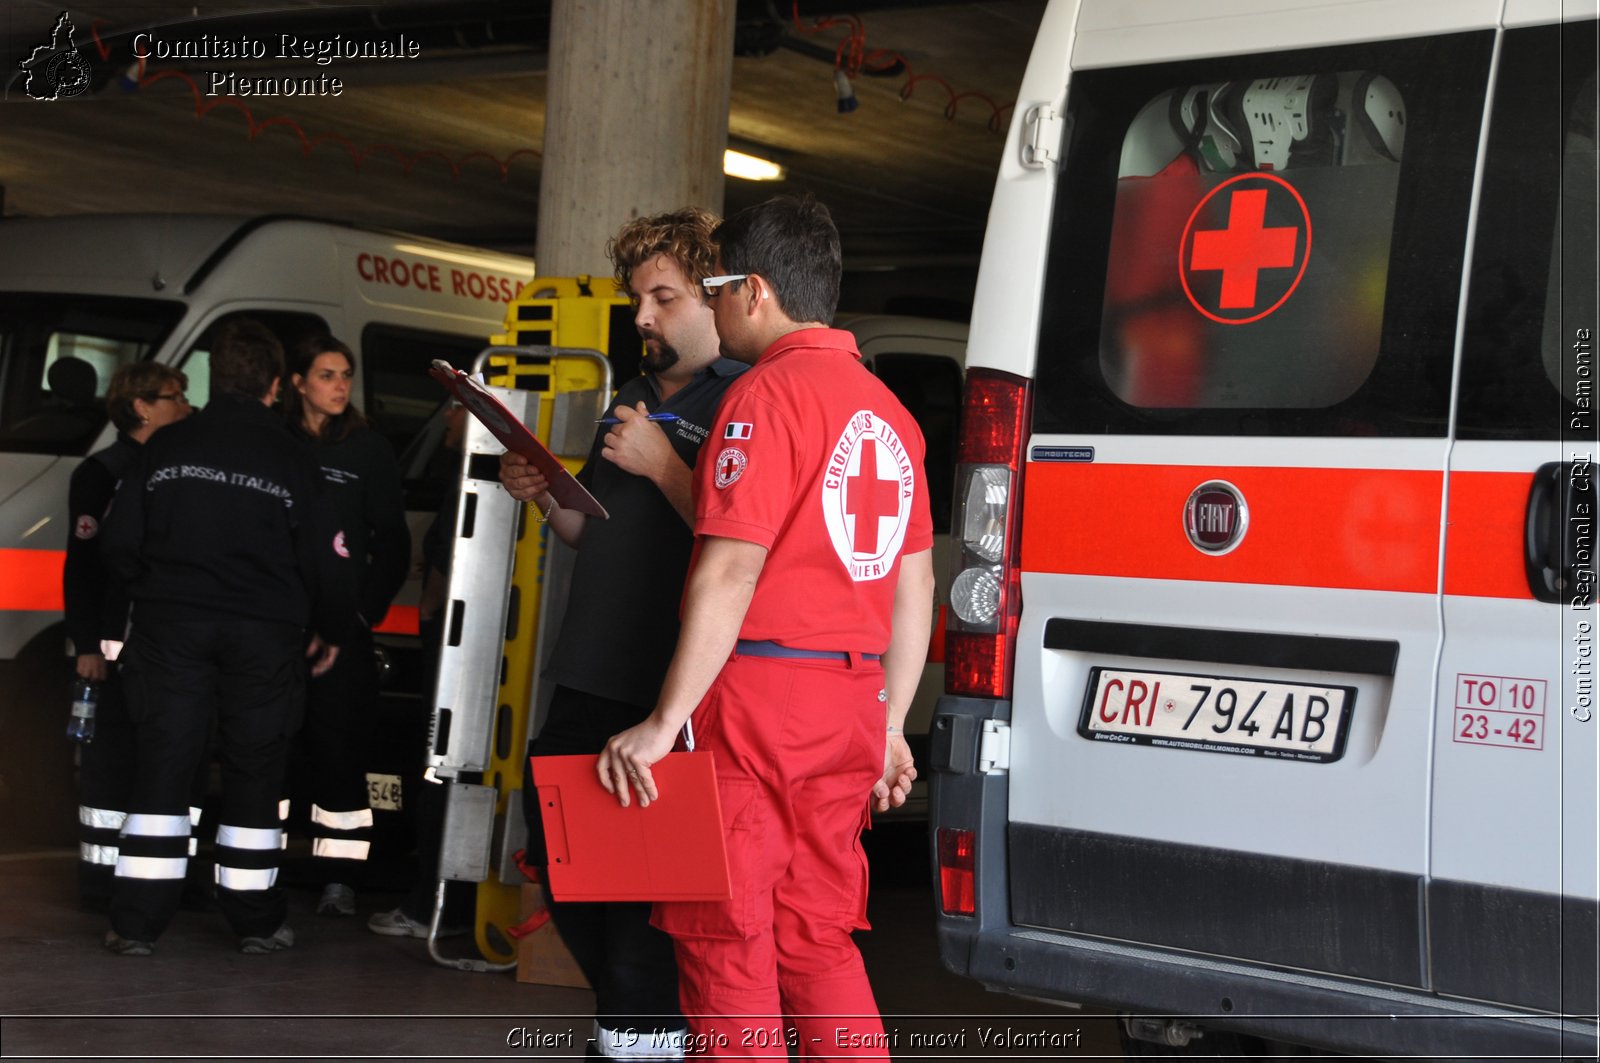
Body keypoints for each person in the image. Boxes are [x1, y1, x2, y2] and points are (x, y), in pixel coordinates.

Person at [596, 195, 935, 1058]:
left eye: (710, 290)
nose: (707, 309)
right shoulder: (889, 414)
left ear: (753, 291)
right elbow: (914, 581)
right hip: (849, 705)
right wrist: (889, 722)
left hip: (759, 705)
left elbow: (730, 568)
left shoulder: (764, 397)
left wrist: (664, 723)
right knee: (816, 937)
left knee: (726, 939)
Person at [498, 207, 746, 1060]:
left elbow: (743, 542)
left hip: (665, 684)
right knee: (566, 863)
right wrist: (544, 493)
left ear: (719, 300)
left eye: (663, 298)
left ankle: (645, 1036)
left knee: (647, 901)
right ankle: (635, 1028)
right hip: (588, 669)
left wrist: (667, 465)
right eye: (638, 298)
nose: (642, 317)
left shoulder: (748, 397)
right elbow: (595, 529)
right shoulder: (633, 395)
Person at [100, 318, 357, 956]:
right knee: (254, 768)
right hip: (265, 635)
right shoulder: (294, 455)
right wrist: (328, 627)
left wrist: (155, 591)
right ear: (276, 384)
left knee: (163, 766)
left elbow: (117, 542)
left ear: (215, 376)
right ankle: (256, 922)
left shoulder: (164, 445)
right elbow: (329, 557)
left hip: (171, 626)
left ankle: (135, 924)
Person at [282, 334, 410, 918]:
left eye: (345, 376)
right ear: (297, 382)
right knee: (272, 751)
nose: (339, 386)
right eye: (327, 374)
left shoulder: (367, 450)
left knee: (340, 753)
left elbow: (392, 543)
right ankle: (267, 867)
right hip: (279, 625)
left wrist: (361, 613)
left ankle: (340, 881)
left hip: (343, 628)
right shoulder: (275, 442)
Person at [64, 361, 191, 908]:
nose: (185, 407)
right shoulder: (102, 471)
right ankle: (98, 881)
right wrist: (87, 644)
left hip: (166, 644)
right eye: (175, 396)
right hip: (115, 649)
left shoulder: (176, 463)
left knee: (167, 760)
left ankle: (164, 877)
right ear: (141, 406)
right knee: (110, 766)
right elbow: (82, 566)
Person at [367, 400, 474, 939]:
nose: (448, 419)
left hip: (450, 647)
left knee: (437, 771)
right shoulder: (465, 475)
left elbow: (443, 571)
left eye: (456, 407)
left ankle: (430, 905)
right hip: (460, 645)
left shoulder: (468, 480)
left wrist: (429, 613)